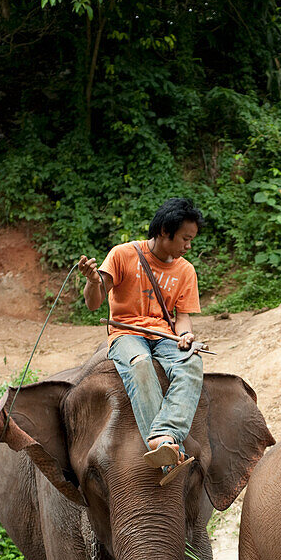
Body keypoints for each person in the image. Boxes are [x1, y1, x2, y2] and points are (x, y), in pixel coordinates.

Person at [79, 197, 206, 485]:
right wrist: (92, 282)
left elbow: (182, 317)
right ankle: (163, 444)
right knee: (140, 363)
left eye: (191, 239)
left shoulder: (185, 270)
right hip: (126, 333)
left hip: (164, 336)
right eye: (185, 238)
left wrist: (185, 335)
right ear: (163, 231)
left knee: (192, 362)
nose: (188, 246)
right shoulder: (123, 255)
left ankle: (166, 434)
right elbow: (93, 303)